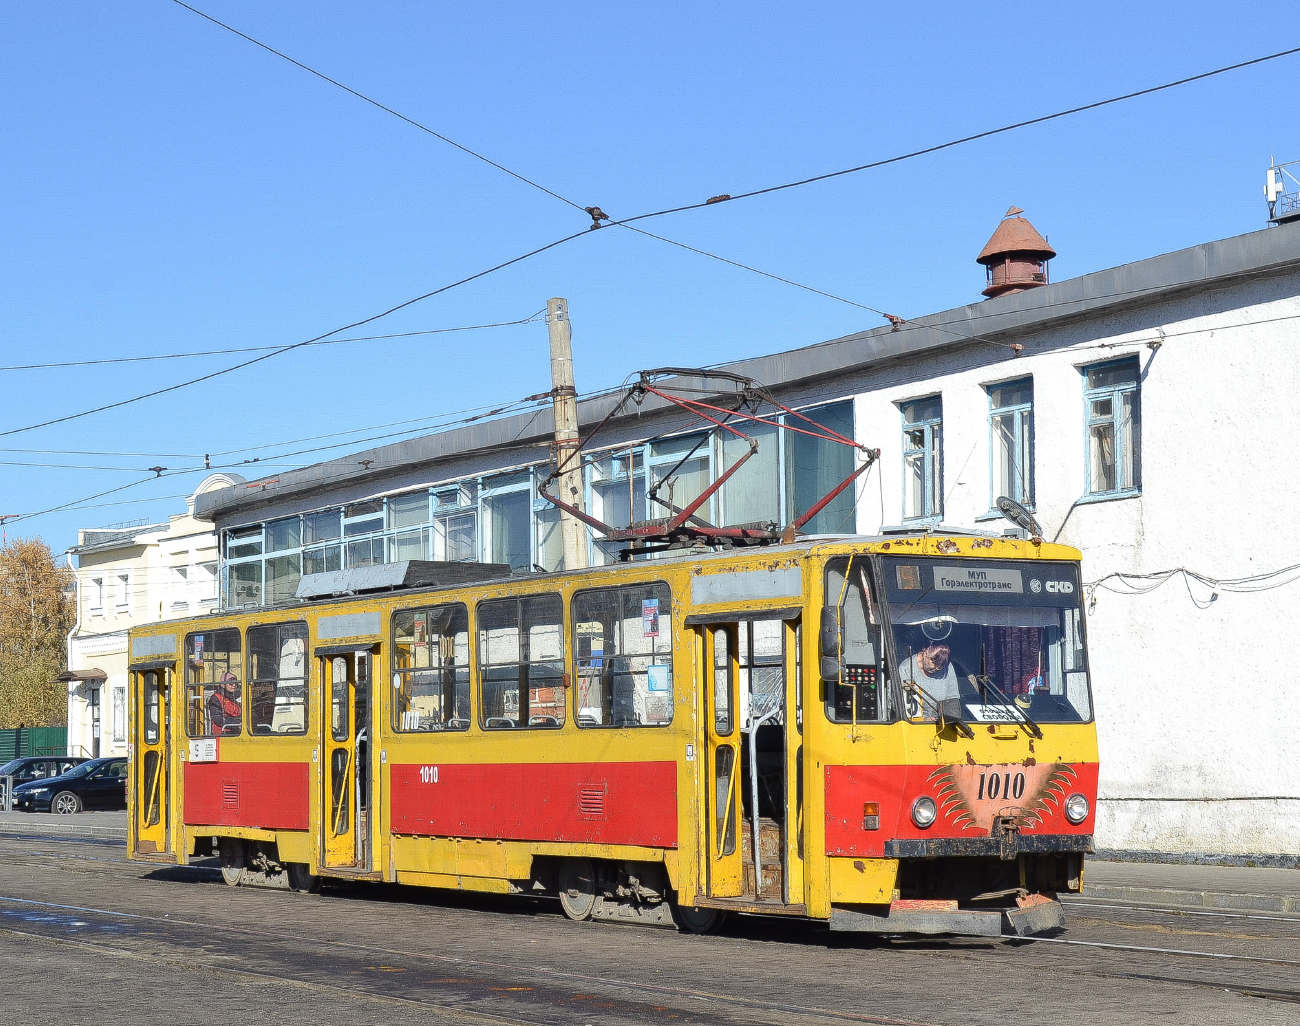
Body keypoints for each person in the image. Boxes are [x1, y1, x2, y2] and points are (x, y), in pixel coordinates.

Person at [896, 636, 961, 718]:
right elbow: (903, 706)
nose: (939, 668)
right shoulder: (906, 669)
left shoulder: (947, 667)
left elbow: (952, 699)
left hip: (943, 721)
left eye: (942, 664)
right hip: (915, 724)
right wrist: (923, 719)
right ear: (925, 654)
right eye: (935, 663)